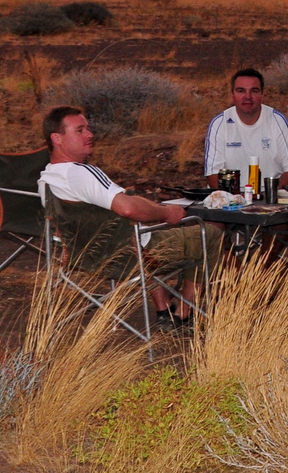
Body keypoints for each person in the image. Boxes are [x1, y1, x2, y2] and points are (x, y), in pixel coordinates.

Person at [38, 105, 212, 321]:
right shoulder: (80, 172)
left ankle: (164, 308)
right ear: (57, 138)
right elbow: (128, 208)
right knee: (209, 234)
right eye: (80, 130)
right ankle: (185, 314)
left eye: (88, 129)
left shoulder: (47, 179)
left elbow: (121, 209)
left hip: (87, 256)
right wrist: (166, 213)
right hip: (133, 255)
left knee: (132, 232)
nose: (90, 134)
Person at [204, 68, 288, 195]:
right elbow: (213, 175)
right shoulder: (219, 124)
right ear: (232, 96)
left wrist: (269, 196)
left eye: (254, 91)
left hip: (270, 197)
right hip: (231, 200)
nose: (248, 97)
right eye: (241, 91)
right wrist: (238, 199)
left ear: (262, 95)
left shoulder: (278, 120)